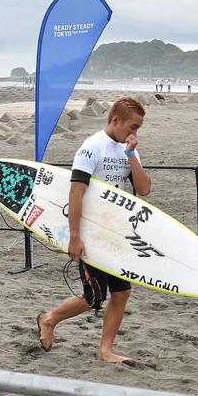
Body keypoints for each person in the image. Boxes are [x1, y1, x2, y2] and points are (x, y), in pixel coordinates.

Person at [37, 97, 151, 365]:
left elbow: (144, 189)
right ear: (115, 120)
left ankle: (105, 350)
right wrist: (74, 237)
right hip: (89, 233)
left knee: (121, 293)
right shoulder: (91, 147)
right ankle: (49, 319)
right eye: (133, 126)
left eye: (139, 128)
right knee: (95, 297)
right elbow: (76, 194)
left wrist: (132, 154)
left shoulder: (128, 149)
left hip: (115, 232)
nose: (135, 133)